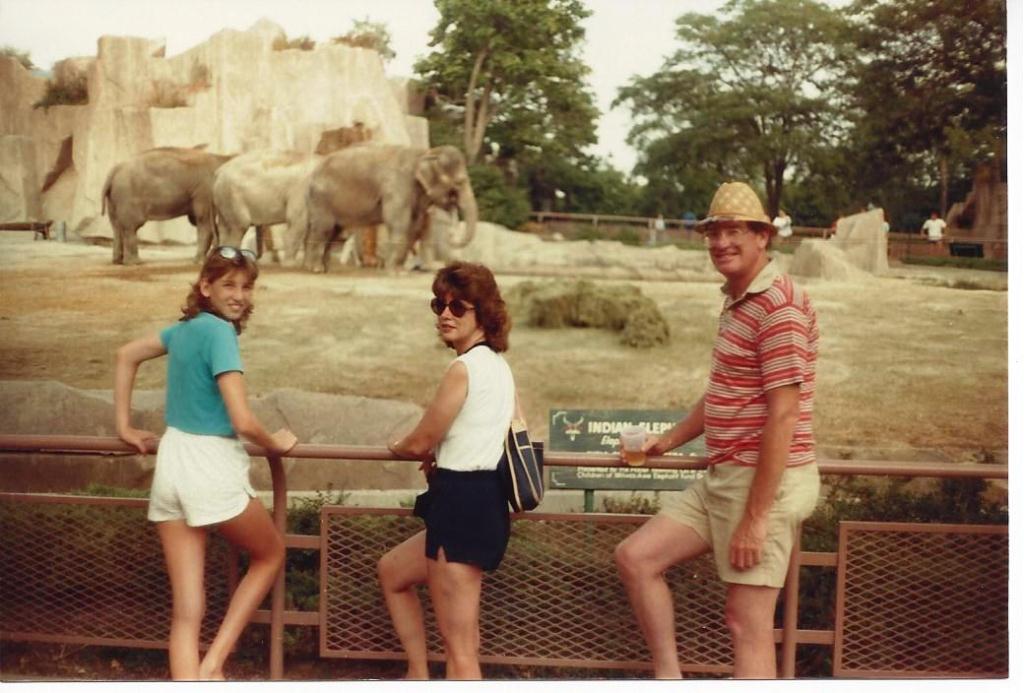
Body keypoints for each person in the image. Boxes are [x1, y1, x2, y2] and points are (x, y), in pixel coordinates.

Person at [614, 181, 820, 679]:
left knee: (746, 624)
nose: (721, 243)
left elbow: (784, 416)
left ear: (762, 237)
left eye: (734, 232)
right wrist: (667, 440)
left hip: (763, 485)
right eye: (713, 233)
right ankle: (669, 679)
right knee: (636, 558)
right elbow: (726, 391)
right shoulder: (739, 298)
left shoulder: (778, 307)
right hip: (725, 477)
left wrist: (755, 519)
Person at [114, 246, 298, 680]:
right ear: (205, 286)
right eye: (229, 285)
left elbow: (126, 354)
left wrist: (124, 426)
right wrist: (275, 444)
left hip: (172, 462)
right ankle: (213, 665)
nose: (239, 295)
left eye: (246, 287)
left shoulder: (184, 330)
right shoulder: (219, 333)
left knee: (187, 611)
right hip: (209, 465)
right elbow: (242, 419)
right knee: (271, 553)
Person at [377, 261, 519, 680]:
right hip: (484, 502)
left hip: (460, 504)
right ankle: (418, 674)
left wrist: (398, 446)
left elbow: (420, 439)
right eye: (439, 304)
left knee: (460, 651)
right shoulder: (498, 366)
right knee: (393, 570)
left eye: (458, 307)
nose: (445, 314)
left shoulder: (464, 369)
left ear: (483, 314)